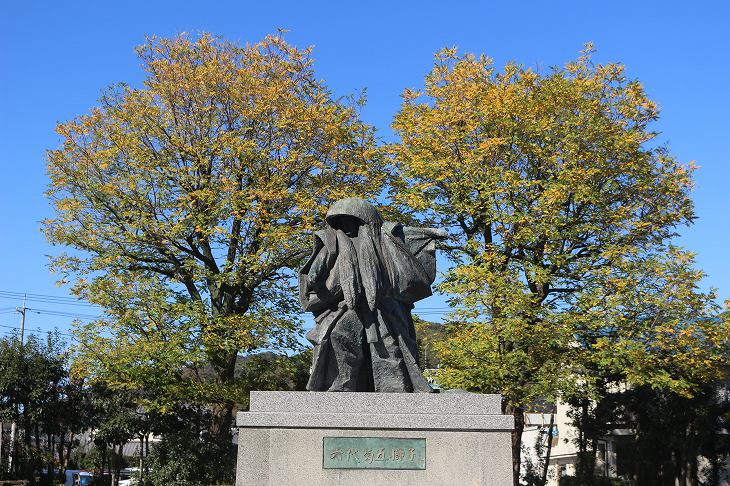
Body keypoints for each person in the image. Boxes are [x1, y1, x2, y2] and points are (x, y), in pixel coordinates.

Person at [299, 198, 446, 392]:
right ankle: (340, 388)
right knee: (338, 336)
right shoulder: (332, 244)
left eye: (351, 221)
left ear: (365, 222)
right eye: (341, 223)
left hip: (382, 306)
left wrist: (431, 234)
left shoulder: (383, 238)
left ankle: (395, 389)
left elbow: (407, 235)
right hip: (345, 306)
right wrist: (316, 276)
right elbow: (315, 273)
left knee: (388, 344)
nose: (347, 227)